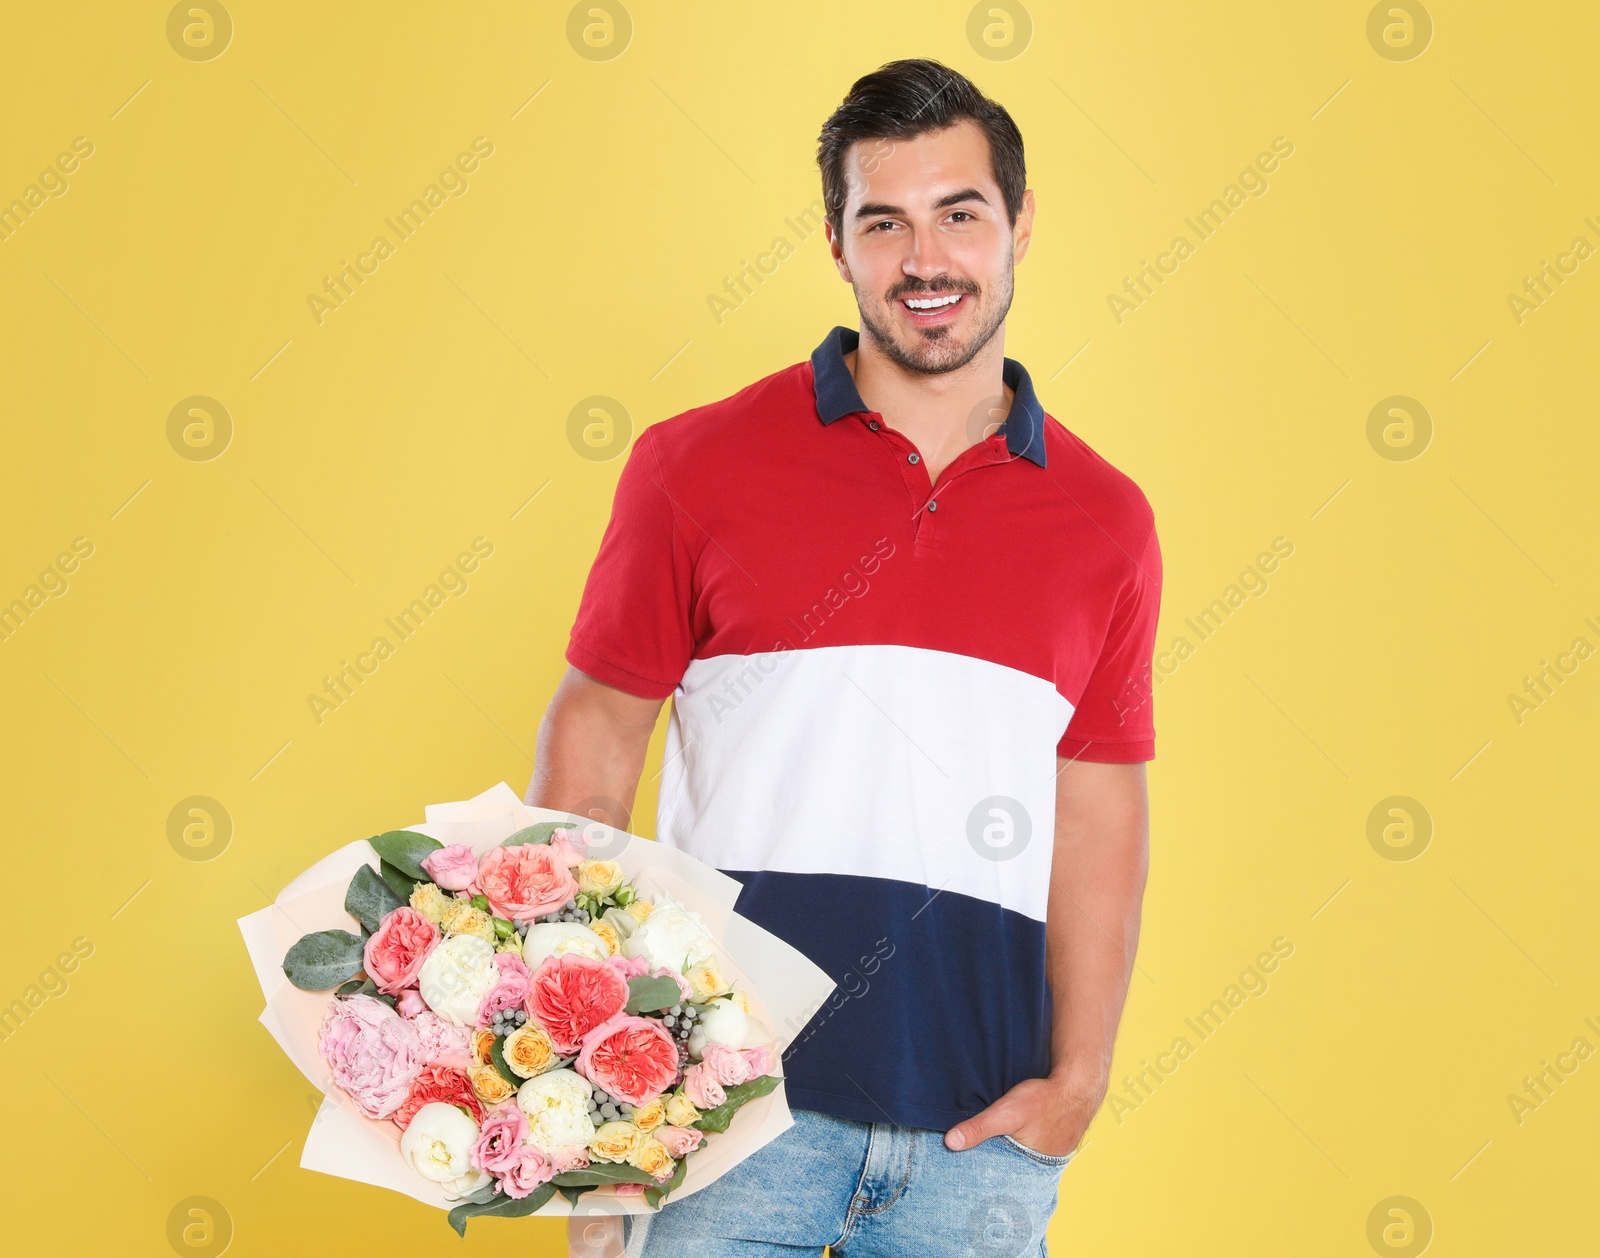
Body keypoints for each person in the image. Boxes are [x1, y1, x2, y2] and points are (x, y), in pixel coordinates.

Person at [533, 57, 1162, 1258]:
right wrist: (584, 1112)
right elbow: (596, 744)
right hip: (714, 1122)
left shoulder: (1105, 520)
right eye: (885, 221)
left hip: (978, 1144)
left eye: (959, 214)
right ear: (838, 243)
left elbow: (1097, 803)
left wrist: (1080, 1077)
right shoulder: (693, 467)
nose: (924, 259)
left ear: (1019, 224)